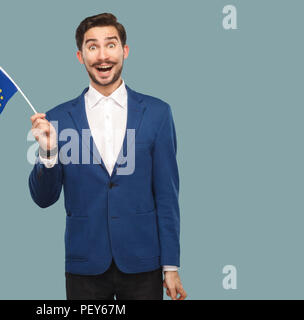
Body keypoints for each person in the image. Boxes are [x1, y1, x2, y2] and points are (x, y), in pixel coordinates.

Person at [29, 13, 187, 300]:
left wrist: (171, 266)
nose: (103, 56)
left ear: (125, 50)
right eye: (92, 47)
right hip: (84, 264)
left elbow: (167, 195)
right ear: (80, 56)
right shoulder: (56, 119)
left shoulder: (158, 113)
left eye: (110, 45)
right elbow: (43, 198)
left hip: (143, 262)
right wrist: (48, 152)